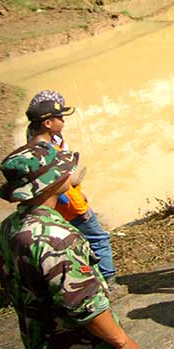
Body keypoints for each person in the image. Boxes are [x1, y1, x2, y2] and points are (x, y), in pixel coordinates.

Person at [0, 141, 151, 349]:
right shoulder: (56, 238)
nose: (68, 172)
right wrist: (121, 341)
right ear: (48, 182)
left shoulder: (5, 230)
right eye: (61, 168)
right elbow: (85, 306)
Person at [24, 92, 117, 285]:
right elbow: (56, 184)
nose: (63, 121)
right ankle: (110, 282)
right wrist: (76, 205)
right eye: (59, 117)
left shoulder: (35, 146)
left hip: (60, 205)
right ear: (47, 123)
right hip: (70, 206)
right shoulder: (48, 152)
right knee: (98, 239)